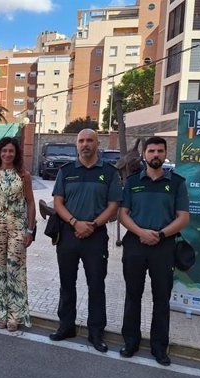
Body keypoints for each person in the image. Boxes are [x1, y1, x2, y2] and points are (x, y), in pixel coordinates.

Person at [118, 136, 189, 366]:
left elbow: (184, 218)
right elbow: (122, 214)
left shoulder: (177, 183)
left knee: (161, 299)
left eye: (160, 150)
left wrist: (159, 235)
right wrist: (141, 233)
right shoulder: (132, 182)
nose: (155, 154)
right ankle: (130, 342)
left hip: (164, 247)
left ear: (165, 153)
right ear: (145, 155)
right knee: (132, 295)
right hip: (135, 246)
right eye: (151, 151)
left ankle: (159, 347)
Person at [49, 128, 122, 353]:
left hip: (96, 236)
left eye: (90, 140)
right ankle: (66, 326)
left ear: (97, 143)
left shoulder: (110, 172)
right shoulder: (67, 171)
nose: (85, 144)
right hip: (69, 234)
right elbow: (58, 202)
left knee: (96, 285)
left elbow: (113, 205)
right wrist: (74, 222)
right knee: (67, 284)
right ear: (76, 144)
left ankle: (96, 332)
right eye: (81, 141)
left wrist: (92, 225)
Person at [0, 137, 36, 332]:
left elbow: (30, 203)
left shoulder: (24, 175)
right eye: (4, 150)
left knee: (15, 268)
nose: (7, 154)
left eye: (11, 151)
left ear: (16, 154)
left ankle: (15, 314)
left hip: (18, 227)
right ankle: (1, 311)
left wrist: (30, 230)